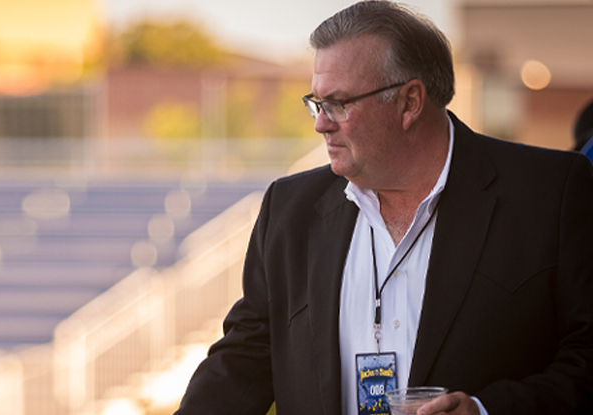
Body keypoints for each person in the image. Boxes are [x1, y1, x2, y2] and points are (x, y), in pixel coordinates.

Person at [173, 1, 593, 415]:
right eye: (317, 103)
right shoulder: (288, 209)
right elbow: (242, 361)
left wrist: (485, 410)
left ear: (409, 102)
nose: (320, 123)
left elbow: (586, 358)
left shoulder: (549, 193)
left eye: (339, 103)